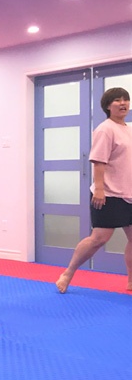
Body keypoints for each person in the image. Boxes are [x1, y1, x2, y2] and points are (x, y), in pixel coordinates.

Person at [56, 87, 132, 293]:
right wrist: (99, 189)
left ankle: (131, 281)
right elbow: (98, 160)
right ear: (108, 106)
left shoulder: (128, 129)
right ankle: (68, 272)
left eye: (126, 100)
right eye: (117, 100)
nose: (123, 103)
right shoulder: (105, 129)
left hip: (129, 193)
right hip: (108, 193)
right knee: (99, 239)